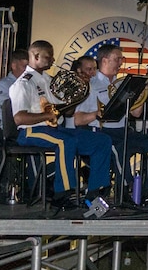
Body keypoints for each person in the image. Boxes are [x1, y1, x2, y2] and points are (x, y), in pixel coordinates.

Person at [9, 41, 114, 211]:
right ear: (36, 56)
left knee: (102, 141)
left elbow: (67, 112)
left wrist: (81, 89)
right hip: (30, 131)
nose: (52, 60)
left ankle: (94, 194)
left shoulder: (48, 80)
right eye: (48, 57)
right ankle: (63, 194)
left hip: (53, 129)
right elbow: (19, 118)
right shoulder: (23, 83)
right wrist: (47, 115)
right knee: (65, 142)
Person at [85, 44, 148, 202]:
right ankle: (126, 189)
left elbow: (136, 112)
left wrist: (142, 93)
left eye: (121, 59)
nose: (120, 63)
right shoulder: (93, 84)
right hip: (104, 132)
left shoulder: (121, 83)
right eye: (117, 59)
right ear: (105, 60)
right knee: (119, 149)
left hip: (123, 130)